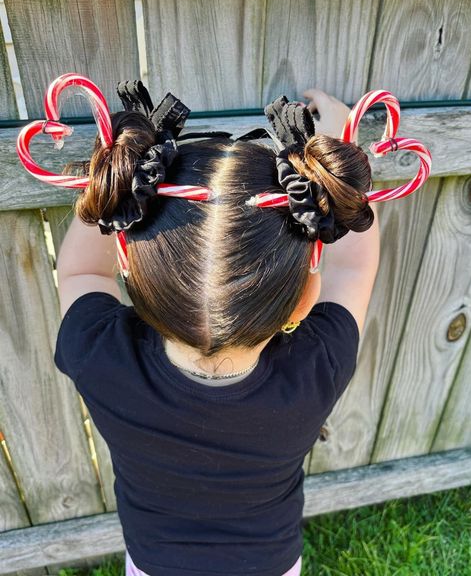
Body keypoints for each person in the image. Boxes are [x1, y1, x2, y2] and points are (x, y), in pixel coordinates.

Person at [54, 85, 380, 576]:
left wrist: (124, 171)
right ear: (303, 289)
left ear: (125, 257)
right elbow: (354, 270)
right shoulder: (317, 371)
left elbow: (81, 274)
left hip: (153, 563)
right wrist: (338, 141)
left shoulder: (100, 359)